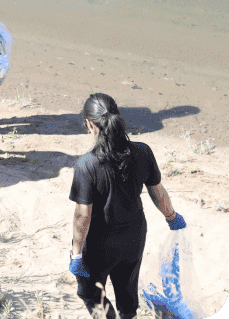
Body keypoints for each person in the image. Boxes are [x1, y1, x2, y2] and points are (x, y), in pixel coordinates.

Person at [68, 93, 187, 319]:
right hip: (134, 237)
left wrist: (75, 254)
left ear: (90, 124)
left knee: (90, 293)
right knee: (127, 292)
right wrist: (172, 217)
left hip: (99, 245)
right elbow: (158, 193)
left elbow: (82, 216)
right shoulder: (142, 151)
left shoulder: (87, 164)